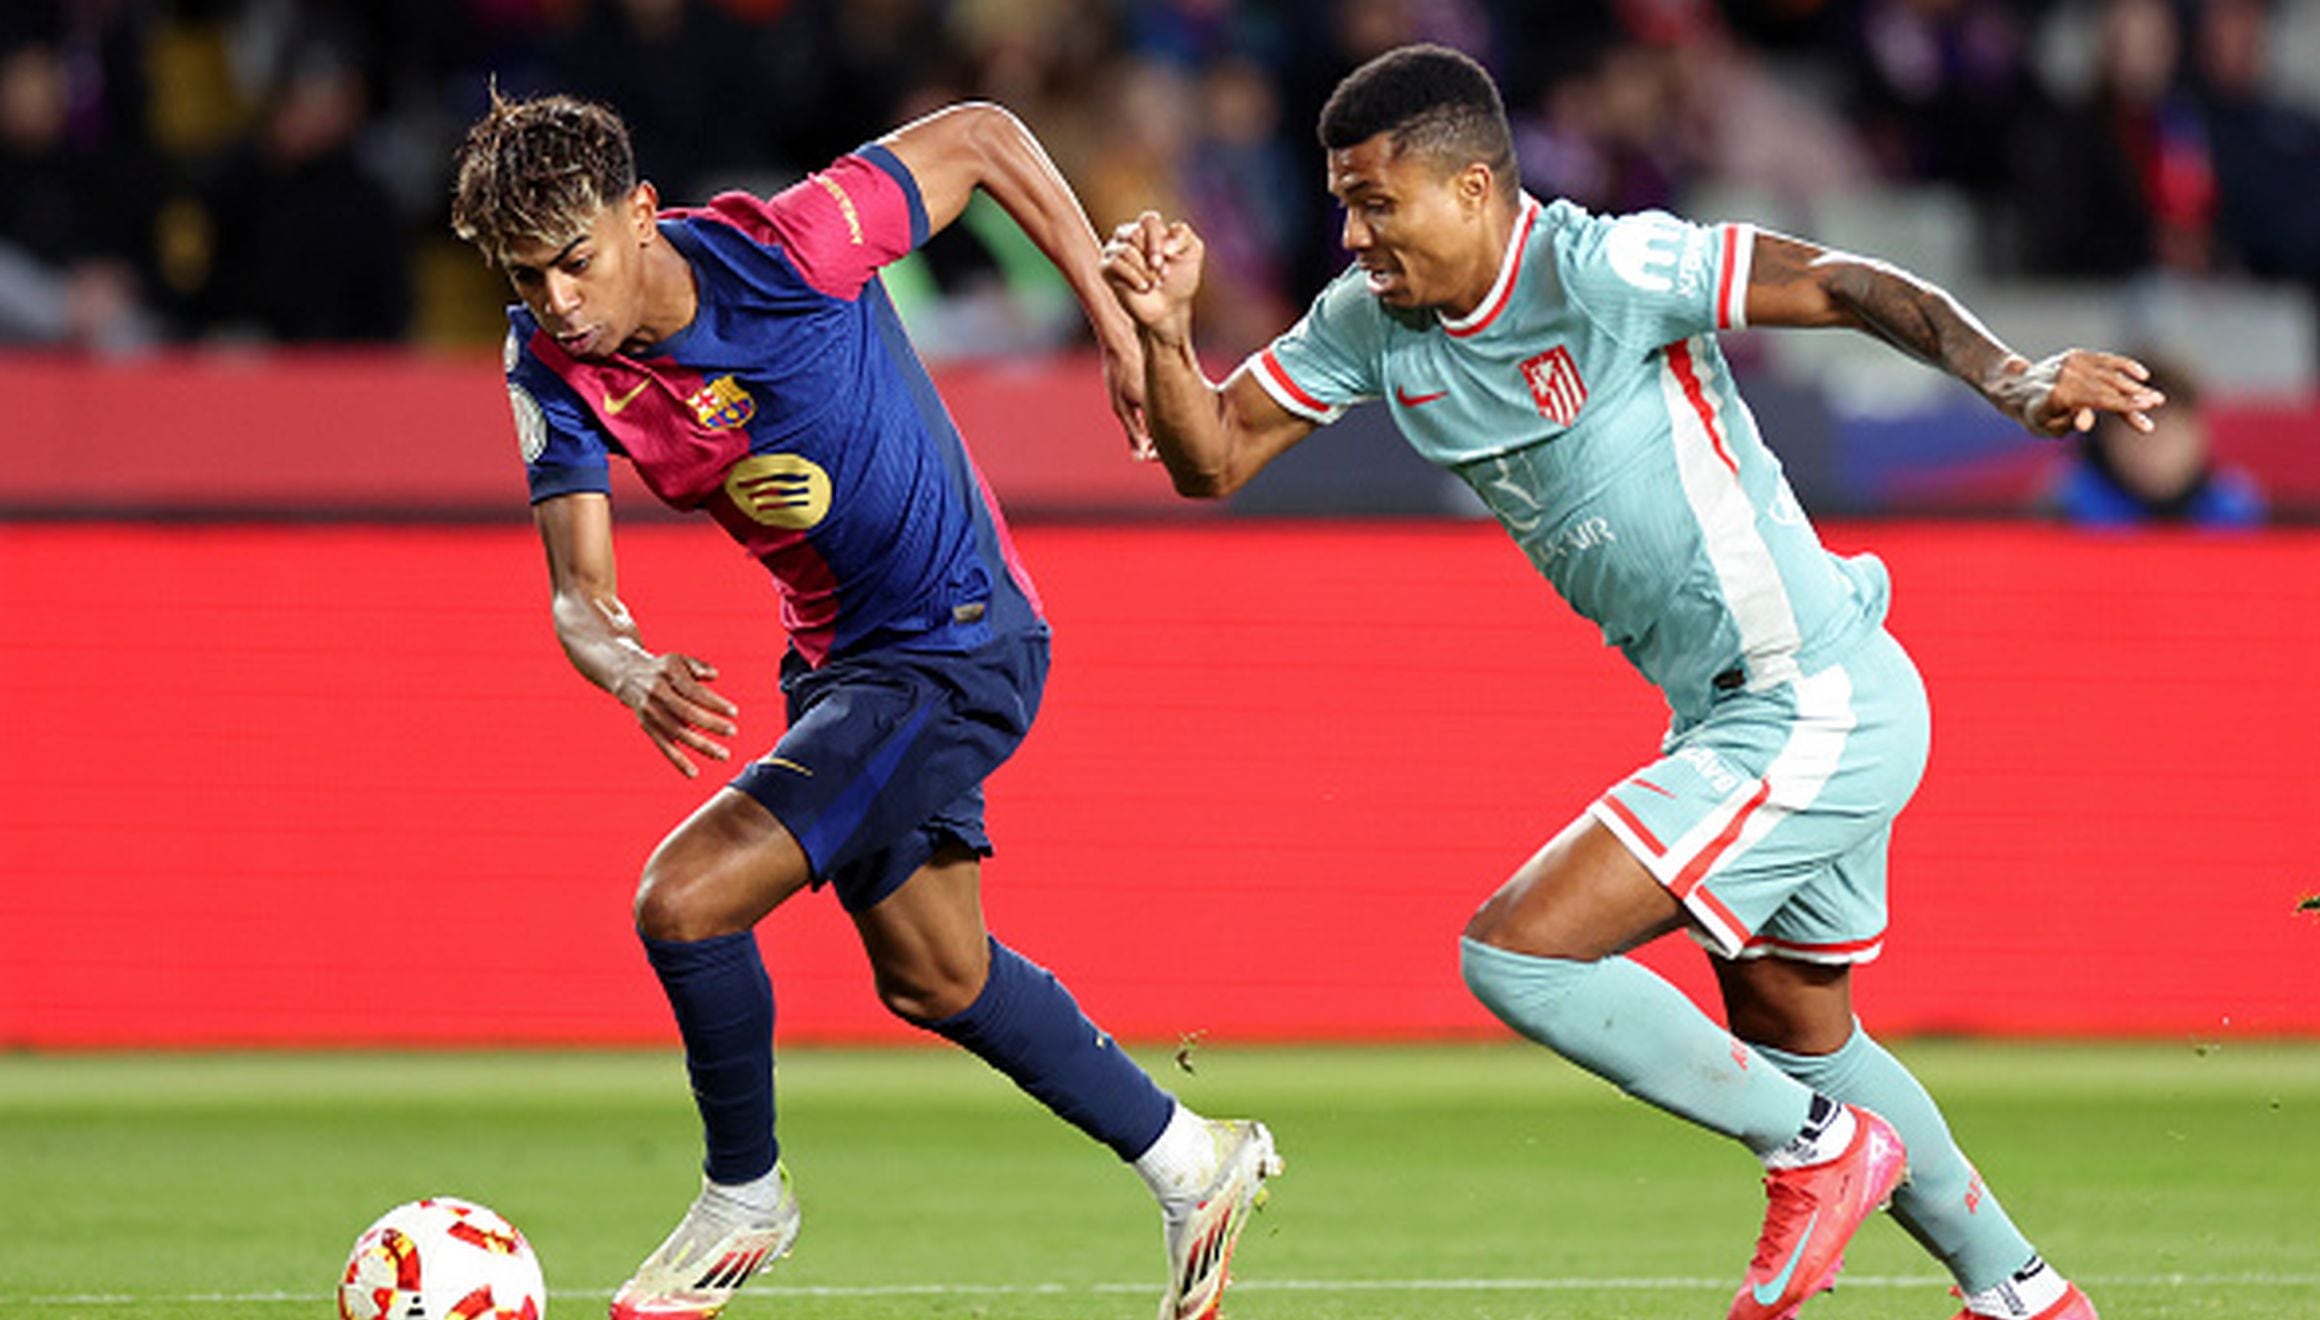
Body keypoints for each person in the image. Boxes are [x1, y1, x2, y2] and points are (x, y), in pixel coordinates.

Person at [1104, 43, 2154, 1320]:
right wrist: (1162, 337)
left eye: (1378, 202)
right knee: (1799, 1034)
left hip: (1809, 693)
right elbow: (1208, 457)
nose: (1353, 233)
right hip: (1739, 710)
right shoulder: (1366, 327)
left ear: (1475, 189)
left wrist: (2014, 376)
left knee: (1518, 957)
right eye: (1341, 202)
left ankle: (1812, 1151)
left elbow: (1838, 280)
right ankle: (2024, 1296)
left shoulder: (1603, 267)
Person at [449, 90, 1279, 1320]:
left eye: (576, 262)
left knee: (683, 900)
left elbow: (988, 134)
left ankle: (745, 1197)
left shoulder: (797, 244)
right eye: (527, 277)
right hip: (840, 669)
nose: (561, 301)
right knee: (936, 976)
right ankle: (1191, 1161)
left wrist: (1113, 322)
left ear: (638, 217)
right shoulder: (550, 361)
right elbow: (580, 594)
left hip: (956, 642)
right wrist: (627, 666)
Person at [2052, 349, 2262, 527]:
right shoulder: (2063, 516)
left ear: (2198, 436)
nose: (2154, 448)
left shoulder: (2238, 516)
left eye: (2170, 433)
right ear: (2107, 439)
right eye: (2137, 433)